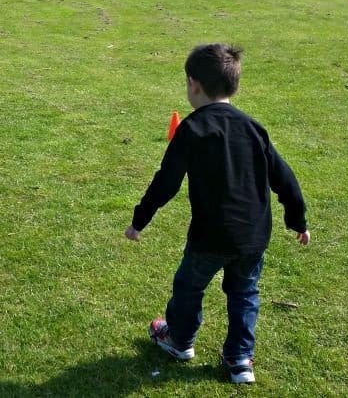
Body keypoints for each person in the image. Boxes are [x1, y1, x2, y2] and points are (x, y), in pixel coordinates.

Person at [124, 43, 310, 384]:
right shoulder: (254, 128)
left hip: (209, 237)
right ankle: (240, 359)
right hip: (252, 237)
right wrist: (297, 220)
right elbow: (285, 178)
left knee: (189, 286)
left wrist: (139, 220)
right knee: (244, 292)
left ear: (193, 84)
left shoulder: (191, 130)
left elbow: (166, 182)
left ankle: (179, 340)